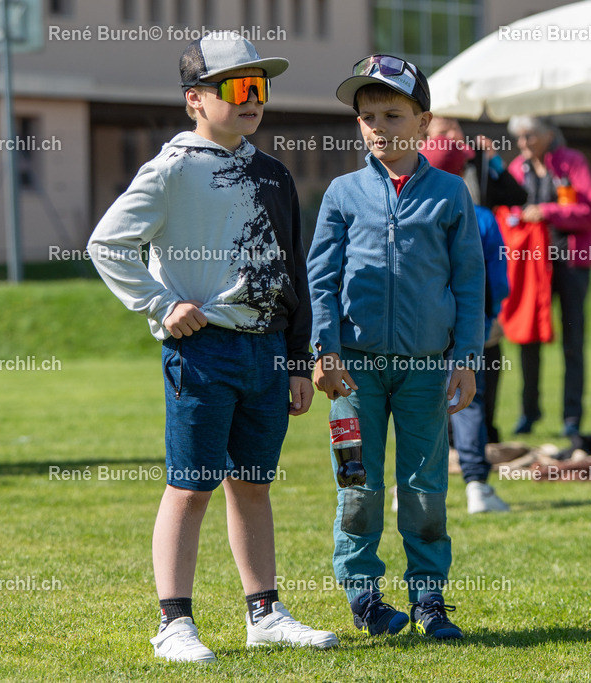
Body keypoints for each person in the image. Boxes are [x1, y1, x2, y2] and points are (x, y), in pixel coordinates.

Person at [88, 32, 337, 664]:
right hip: (201, 353)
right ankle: (173, 623)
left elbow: (292, 271)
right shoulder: (171, 170)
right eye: (238, 87)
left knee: (252, 483)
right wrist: (161, 304)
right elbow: (107, 244)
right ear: (196, 99)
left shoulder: (275, 175)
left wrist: (298, 356)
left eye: (260, 87)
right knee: (191, 486)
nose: (253, 100)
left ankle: (265, 613)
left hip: (267, 354)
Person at [309, 55, 484, 639]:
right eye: (367, 117)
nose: (379, 127)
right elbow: (321, 280)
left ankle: (430, 600)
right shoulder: (341, 193)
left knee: (424, 489)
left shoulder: (451, 194)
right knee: (357, 488)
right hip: (353, 376)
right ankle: (363, 597)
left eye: (392, 114)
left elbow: (469, 283)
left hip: (426, 372)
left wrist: (465, 359)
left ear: (424, 122)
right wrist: (325, 351)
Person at [422, 116, 510, 513]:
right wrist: (493, 314)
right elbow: (498, 278)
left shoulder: (407, 213)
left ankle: (409, 487)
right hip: (469, 326)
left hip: (417, 325)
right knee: (468, 401)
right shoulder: (483, 218)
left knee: (416, 401)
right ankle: (476, 485)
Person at [506, 116, 591, 437]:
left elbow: (588, 211)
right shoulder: (518, 168)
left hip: (572, 262)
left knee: (573, 342)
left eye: (529, 136)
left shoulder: (571, 162)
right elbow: (506, 210)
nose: (522, 144)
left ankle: (571, 417)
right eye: (519, 138)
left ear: (548, 134)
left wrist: (547, 211)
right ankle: (528, 412)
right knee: (527, 337)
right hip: (532, 266)